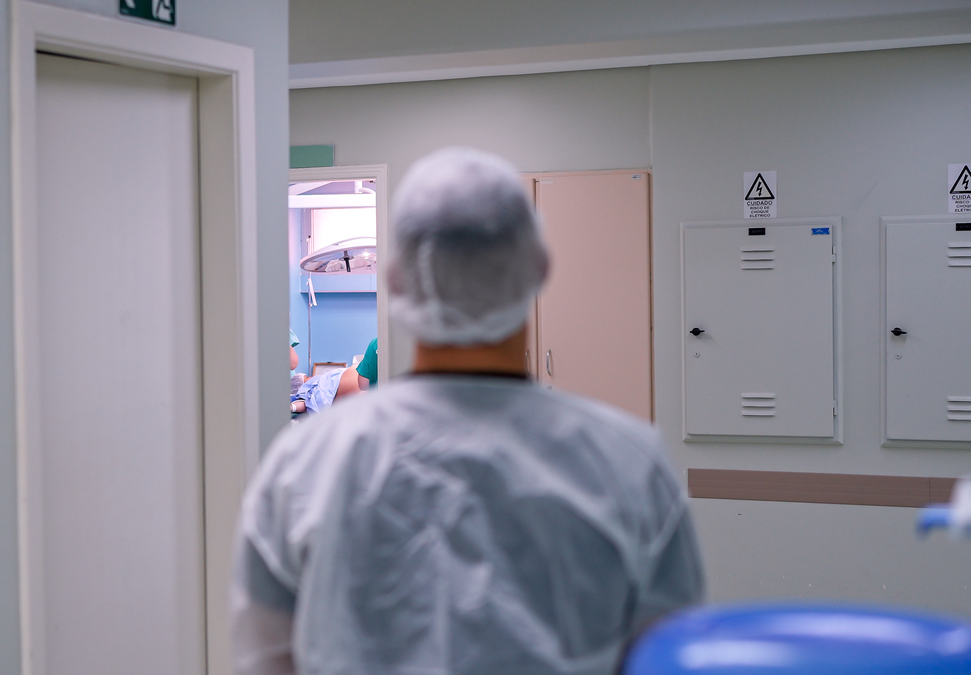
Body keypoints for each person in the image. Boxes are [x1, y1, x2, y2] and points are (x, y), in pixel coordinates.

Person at [233, 148, 704, 675]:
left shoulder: (304, 463)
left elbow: (264, 659)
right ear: (540, 271)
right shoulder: (628, 462)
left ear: (393, 280)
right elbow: (668, 654)